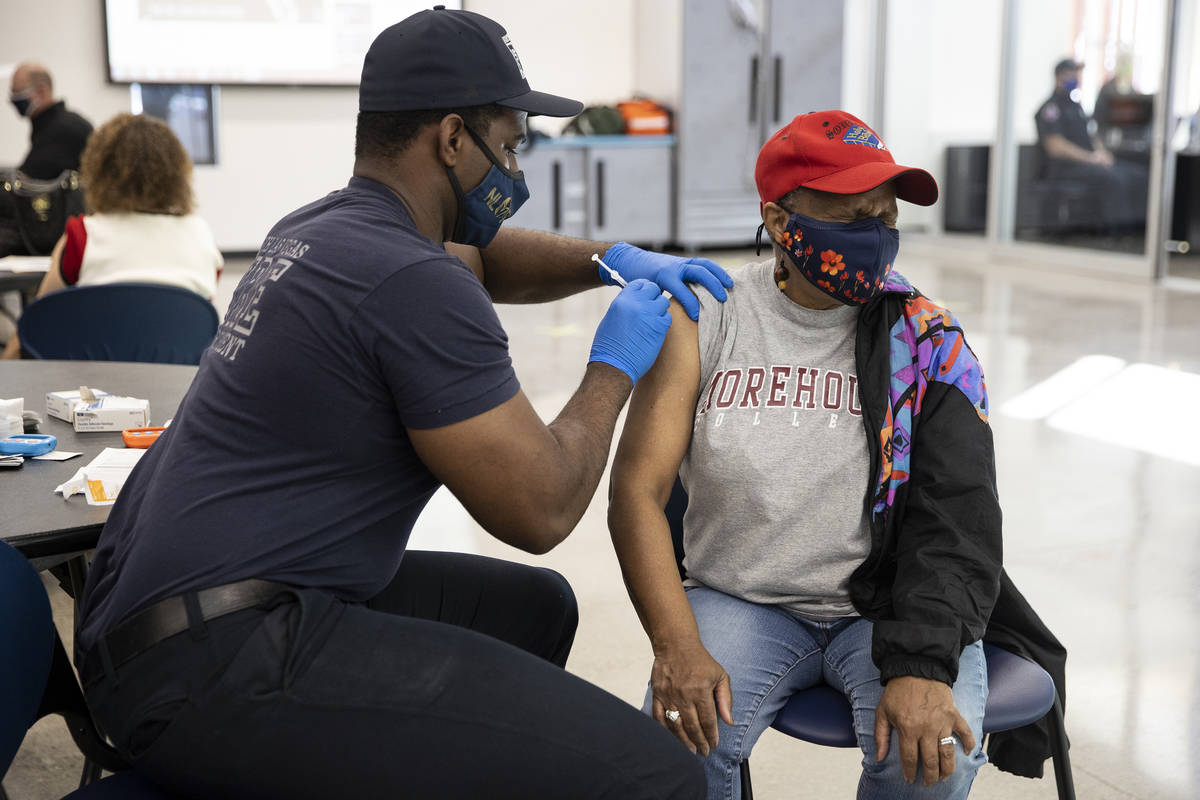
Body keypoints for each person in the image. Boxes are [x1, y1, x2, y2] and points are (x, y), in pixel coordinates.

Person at [74, 8, 733, 799]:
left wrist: (606, 261)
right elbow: (543, 508)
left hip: (136, 622)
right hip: (220, 662)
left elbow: (482, 263)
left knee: (534, 612)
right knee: (658, 779)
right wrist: (613, 365)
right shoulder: (413, 283)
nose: (516, 172)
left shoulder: (320, 230)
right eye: (512, 143)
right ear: (454, 139)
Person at [609, 111, 1064, 799]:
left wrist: (923, 663)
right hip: (742, 598)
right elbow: (637, 492)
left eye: (884, 215)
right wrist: (676, 647)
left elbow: (959, 518)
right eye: (850, 216)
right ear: (781, 219)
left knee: (928, 760)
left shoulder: (929, 340)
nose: (875, 237)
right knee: (674, 749)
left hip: (885, 606)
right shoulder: (709, 314)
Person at [2, 112, 222, 359]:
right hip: (181, 388)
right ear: (179, 173)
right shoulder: (202, 237)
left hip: (92, 388)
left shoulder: (82, 236)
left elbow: (35, 326)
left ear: (98, 171)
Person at [1034, 58, 1147, 230]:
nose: (1076, 79)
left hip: (1088, 163)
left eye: (1076, 75)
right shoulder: (1051, 109)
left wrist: (1102, 154)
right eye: (1071, 75)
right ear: (1059, 78)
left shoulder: (1076, 106)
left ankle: (1140, 231)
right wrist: (1091, 158)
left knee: (1137, 175)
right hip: (1066, 168)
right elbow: (1056, 147)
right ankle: (1119, 233)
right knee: (1114, 180)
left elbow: (1090, 136)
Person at [8, 62, 92, 180]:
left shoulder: (62, 130)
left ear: (41, 92)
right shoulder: (58, 123)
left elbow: (25, 183)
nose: (13, 99)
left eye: (18, 93)